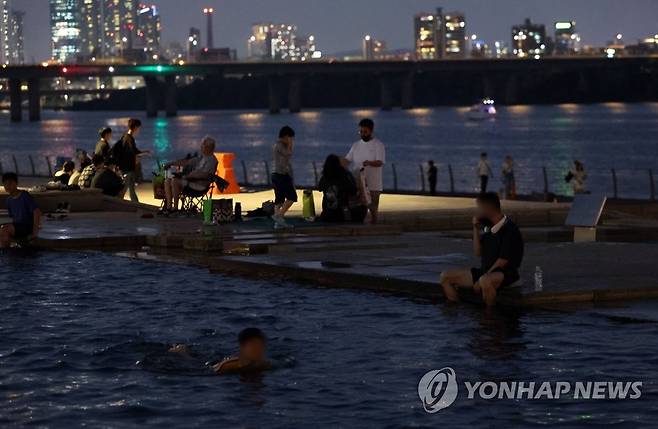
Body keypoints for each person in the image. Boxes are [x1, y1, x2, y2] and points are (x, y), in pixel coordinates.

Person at [439, 192, 524, 307]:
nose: (476, 211)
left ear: (487, 209)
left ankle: (490, 316)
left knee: (485, 281)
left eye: (478, 208)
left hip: (505, 273)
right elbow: (478, 252)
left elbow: (502, 261)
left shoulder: (509, 229)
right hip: (485, 271)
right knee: (446, 276)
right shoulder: (489, 227)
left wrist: (480, 280)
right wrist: (475, 228)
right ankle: (456, 308)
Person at [169, 328, 271, 375]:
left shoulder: (265, 365)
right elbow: (210, 372)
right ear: (243, 347)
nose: (258, 351)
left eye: (261, 346)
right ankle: (182, 351)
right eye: (254, 347)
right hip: (208, 367)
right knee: (192, 361)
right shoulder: (229, 366)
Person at [344, 118, 386, 224]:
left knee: (373, 209)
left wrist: (369, 163)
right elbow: (347, 160)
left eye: (365, 132)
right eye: (361, 131)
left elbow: (380, 162)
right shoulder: (356, 145)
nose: (362, 134)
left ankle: (375, 227)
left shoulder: (378, 145)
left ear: (371, 131)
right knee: (357, 207)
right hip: (359, 183)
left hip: (374, 184)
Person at [163, 136, 219, 213]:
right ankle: (169, 207)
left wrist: (188, 176)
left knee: (174, 181)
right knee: (167, 181)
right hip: (191, 181)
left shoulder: (212, 160)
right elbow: (187, 162)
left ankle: (175, 208)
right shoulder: (201, 157)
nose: (201, 147)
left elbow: (205, 175)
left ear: (209, 147)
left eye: (203, 145)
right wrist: (171, 163)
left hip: (200, 185)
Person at [111, 119, 149, 202]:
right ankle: (117, 202)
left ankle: (135, 204)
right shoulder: (129, 138)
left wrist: (143, 152)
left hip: (126, 167)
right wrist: (143, 153)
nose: (139, 130)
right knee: (124, 188)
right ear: (135, 127)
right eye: (139, 128)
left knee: (131, 188)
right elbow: (133, 151)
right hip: (127, 168)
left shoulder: (124, 136)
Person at [1, 173, 41, 248]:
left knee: (4, 230)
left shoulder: (24, 196)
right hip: (17, 226)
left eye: (10, 183)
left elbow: (37, 212)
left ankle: (5, 251)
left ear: (16, 184)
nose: (7, 186)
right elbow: (13, 217)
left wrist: (35, 232)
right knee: (3, 229)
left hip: (27, 226)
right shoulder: (8, 200)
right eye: (5, 184)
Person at [318, 154, 359, 222]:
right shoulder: (345, 175)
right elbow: (353, 191)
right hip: (341, 214)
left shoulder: (325, 176)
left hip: (326, 213)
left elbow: (320, 188)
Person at [271, 126, 297, 229]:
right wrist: (291, 144)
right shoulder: (280, 146)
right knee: (292, 197)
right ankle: (279, 216)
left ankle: (278, 223)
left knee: (279, 199)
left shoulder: (278, 145)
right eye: (290, 138)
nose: (291, 140)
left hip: (276, 174)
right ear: (286, 136)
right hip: (280, 174)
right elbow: (288, 154)